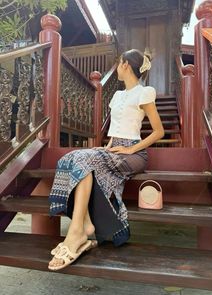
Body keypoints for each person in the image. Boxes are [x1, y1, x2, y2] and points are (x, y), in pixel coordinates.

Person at [48, 49, 164, 271]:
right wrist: (107, 148)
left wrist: (131, 150)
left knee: (85, 159)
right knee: (74, 157)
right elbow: (115, 128)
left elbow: (158, 132)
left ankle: (76, 233)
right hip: (115, 147)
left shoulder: (145, 92)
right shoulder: (118, 95)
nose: (118, 67)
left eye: (119, 63)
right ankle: (86, 225)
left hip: (134, 153)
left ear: (125, 65)